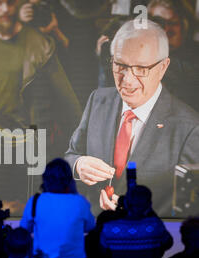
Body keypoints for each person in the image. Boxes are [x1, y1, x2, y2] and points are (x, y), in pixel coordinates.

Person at [65, 19, 199, 217]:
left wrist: (138, 210)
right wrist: (78, 166)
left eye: (141, 69)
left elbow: (190, 211)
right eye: (120, 65)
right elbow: (70, 155)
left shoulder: (190, 128)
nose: (127, 80)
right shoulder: (98, 100)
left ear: (163, 67)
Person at [0, 0, 82, 211]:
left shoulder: (39, 43)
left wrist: (80, 144)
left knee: (35, 206)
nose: (4, 9)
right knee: (0, 206)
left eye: (10, 3)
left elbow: (67, 100)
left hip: (30, 142)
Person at [20, 158, 95, 258]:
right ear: (69, 179)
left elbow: (24, 230)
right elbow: (91, 227)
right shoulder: (80, 202)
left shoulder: (36, 201)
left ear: (45, 179)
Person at [99, 185, 173, 258]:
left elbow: (103, 254)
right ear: (149, 205)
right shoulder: (155, 226)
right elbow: (168, 243)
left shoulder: (109, 229)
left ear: (127, 204)